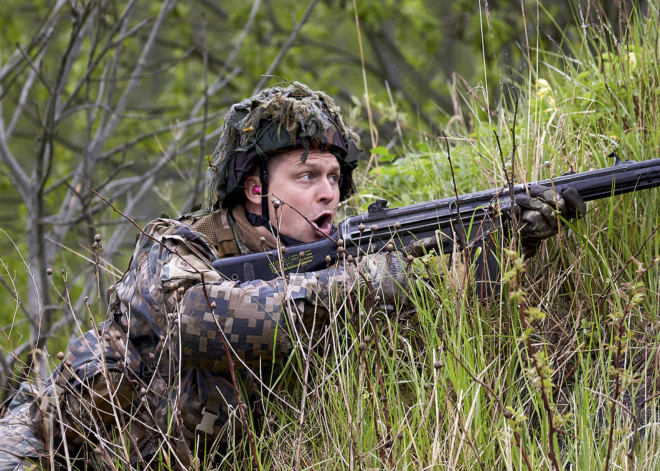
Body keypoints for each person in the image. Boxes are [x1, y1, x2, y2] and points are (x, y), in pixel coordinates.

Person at [0, 83, 585, 470]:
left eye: (334, 176)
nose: (328, 190)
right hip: (42, 450)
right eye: (306, 175)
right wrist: (371, 279)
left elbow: (438, 329)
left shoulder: (335, 266)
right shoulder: (175, 247)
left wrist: (501, 243)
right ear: (256, 190)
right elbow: (202, 324)